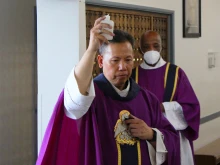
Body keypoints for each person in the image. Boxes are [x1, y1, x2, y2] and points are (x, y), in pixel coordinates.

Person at [36, 17, 180, 165]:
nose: (123, 67)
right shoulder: (90, 97)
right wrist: (91, 48)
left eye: (128, 60)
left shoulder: (147, 99)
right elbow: (74, 102)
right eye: (115, 60)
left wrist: (151, 134)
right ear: (100, 61)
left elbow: (173, 139)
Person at [132, 30, 200, 165]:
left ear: (161, 47)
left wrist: (164, 107)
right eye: (146, 46)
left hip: (174, 137)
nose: (152, 50)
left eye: (155, 45)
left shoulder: (176, 73)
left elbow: (192, 107)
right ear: (140, 50)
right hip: (143, 138)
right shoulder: (133, 75)